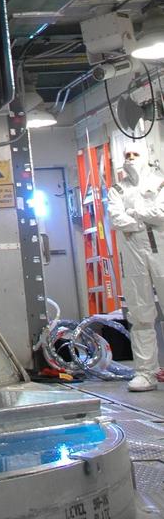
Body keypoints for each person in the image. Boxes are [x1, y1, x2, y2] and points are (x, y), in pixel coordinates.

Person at [106, 142, 164, 392]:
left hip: (160, 250)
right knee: (140, 314)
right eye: (126, 155)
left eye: (135, 154)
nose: (130, 158)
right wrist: (142, 217)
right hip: (133, 255)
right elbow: (116, 218)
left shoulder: (160, 182)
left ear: (146, 156)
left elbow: (161, 212)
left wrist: (135, 213)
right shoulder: (117, 189)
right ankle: (146, 372)